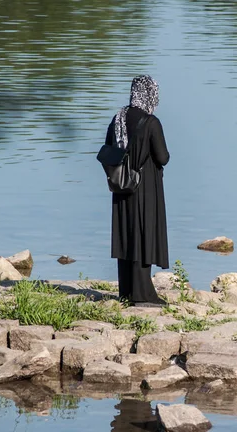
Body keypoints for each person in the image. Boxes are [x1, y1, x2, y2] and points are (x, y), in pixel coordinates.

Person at [105, 75, 170, 307]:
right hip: (145, 188)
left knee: (126, 235)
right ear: (150, 94)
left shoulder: (117, 119)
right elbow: (163, 157)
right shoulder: (151, 122)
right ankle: (143, 295)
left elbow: (109, 150)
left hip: (122, 187)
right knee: (143, 234)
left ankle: (126, 292)